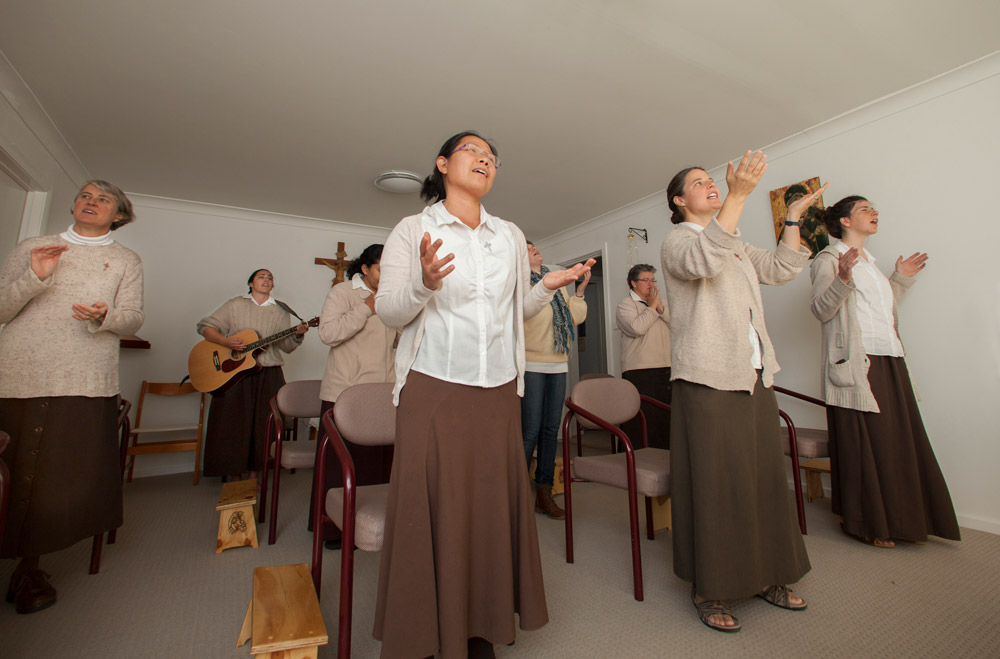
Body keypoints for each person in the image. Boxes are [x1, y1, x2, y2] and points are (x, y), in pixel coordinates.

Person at [373, 131, 592, 659]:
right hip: (434, 388)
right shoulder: (413, 229)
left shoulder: (509, 235)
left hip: (497, 390)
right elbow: (388, 311)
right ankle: (424, 633)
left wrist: (545, 288)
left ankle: (477, 630)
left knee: (488, 510)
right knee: (430, 511)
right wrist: (424, 283)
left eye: (492, 157)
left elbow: (514, 314)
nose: (485, 160)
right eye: (474, 151)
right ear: (443, 164)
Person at [661, 152, 814, 633]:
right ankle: (711, 586)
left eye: (713, 181)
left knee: (764, 479)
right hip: (707, 377)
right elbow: (704, 259)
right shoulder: (678, 241)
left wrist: (791, 218)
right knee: (718, 485)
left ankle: (767, 575)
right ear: (679, 200)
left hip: (753, 374)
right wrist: (740, 195)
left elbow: (784, 267)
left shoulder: (737, 245)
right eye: (700, 183)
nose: (711, 186)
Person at [0, 179, 143, 614]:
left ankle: (29, 569)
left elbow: (133, 319)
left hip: (84, 378)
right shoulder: (34, 245)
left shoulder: (125, 260)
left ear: (119, 214)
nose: (91, 202)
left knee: (58, 480)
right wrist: (34, 278)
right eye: (85, 195)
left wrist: (107, 315)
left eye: (103, 199)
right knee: (10, 470)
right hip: (20, 375)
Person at [809, 194, 960, 548]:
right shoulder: (828, 260)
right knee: (869, 444)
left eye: (872, 208)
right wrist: (843, 277)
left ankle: (907, 519)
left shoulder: (871, 264)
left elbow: (876, 311)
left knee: (896, 441)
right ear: (845, 221)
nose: (873, 213)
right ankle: (866, 522)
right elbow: (820, 309)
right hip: (858, 364)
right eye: (864, 209)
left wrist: (899, 279)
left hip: (889, 357)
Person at [310, 243, 396, 548]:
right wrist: (365, 308)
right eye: (382, 268)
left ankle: (373, 528)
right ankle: (335, 529)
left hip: (383, 394)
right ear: (365, 269)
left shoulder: (390, 299)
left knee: (379, 467)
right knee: (341, 465)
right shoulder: (342, 293)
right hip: (346, 393)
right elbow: (328, 334)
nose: (388, 274)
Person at [197, 269, 309, 480]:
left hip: (269, 372)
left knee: (264, 425)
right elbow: (205, 326)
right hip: (235, 374)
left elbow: (285, 346)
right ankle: (233, 475)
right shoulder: (235, 305)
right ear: (250, 283)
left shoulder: (280, 310)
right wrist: (225, 342)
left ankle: (255, 474)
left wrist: (296, 335)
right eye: (261, 277)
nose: (266, 280)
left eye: (270, 278)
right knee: (232, 422)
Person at [522, 240, 588, 519]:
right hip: (530, 362)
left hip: (558, 362)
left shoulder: (557, 280)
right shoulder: (518, 284)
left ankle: (544, 492)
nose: (534, 248)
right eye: (526, 248)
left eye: (534, 245)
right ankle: (516, 494)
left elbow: (573, 318)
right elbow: (527, 315)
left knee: (551, 430)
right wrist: (544, 288)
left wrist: (580, 291)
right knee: (530, 431)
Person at [616, 264, 671, 450]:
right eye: (645, 280)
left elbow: (679, 324)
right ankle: (635, 464)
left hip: (665, 369)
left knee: (664, 421)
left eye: (653, 280)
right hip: (639, 371)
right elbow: (637, 328)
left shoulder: (660, 304)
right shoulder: (626, 304)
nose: (651, 284)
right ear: (633, 283)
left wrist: (659, 307)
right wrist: (653, 307)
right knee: (642, 421)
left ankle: (661, 463)